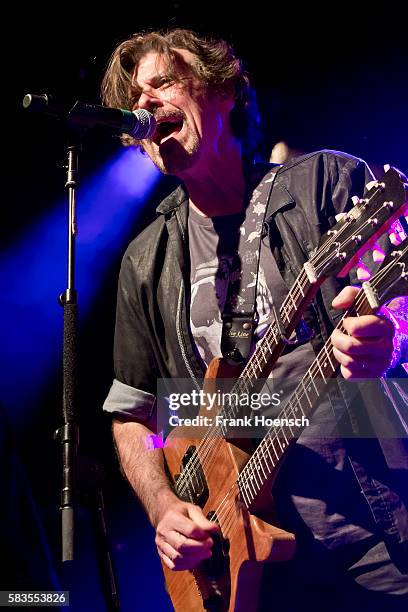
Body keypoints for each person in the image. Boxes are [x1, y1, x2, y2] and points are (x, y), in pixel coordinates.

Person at [101, 29, 408, 610]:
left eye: (162, 83)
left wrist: (388, 340)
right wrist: (165, 507)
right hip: (240, 560)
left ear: (222, 91)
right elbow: (132, 413)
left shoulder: (321, 182)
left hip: (370, 534)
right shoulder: (147, 260)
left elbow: (394, 297)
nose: (144, 106)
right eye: (134, 100)